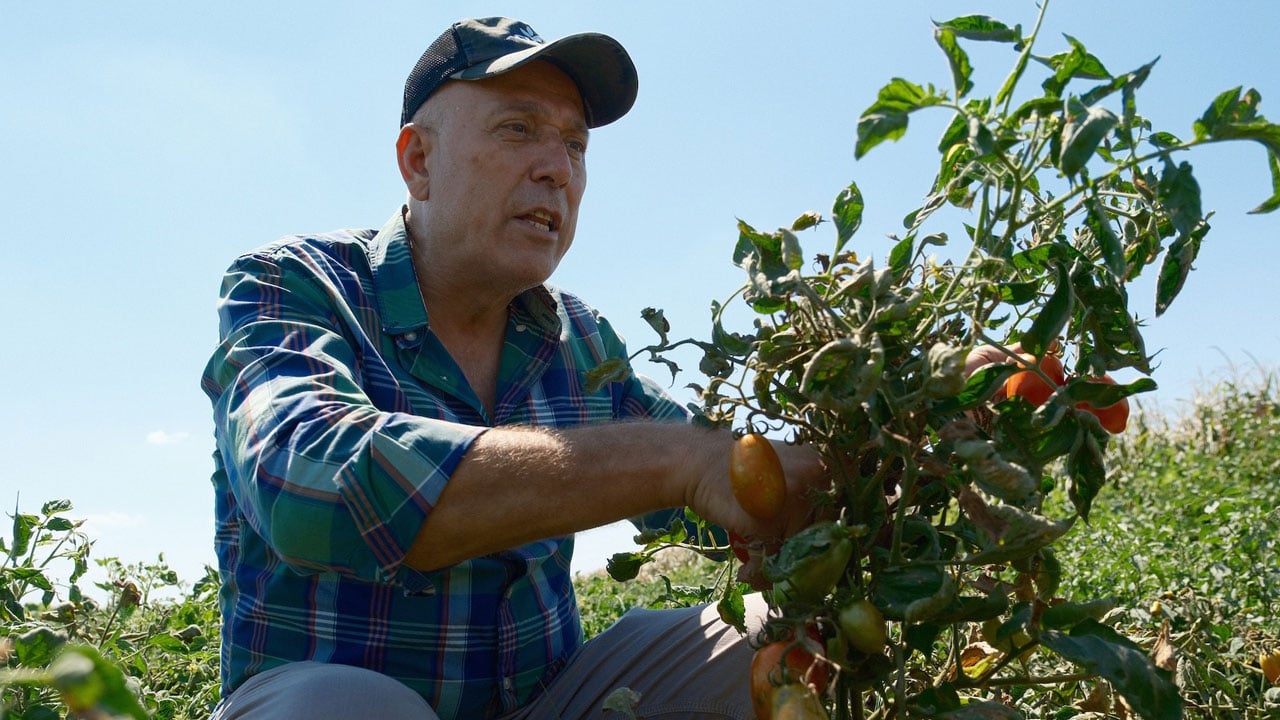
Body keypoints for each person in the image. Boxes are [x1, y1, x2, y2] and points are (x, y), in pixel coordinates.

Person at [200, 16, 827, 720]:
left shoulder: (578, 339)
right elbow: (307, 483)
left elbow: (728, 477)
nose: (557, 169)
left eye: (574, 144)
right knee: (339, 704)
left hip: (547, 704)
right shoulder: (298, 285)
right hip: (333, 701)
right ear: (419, 162)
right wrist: (677, 462)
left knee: (776, 636)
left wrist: (915, 441)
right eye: (518, 129)